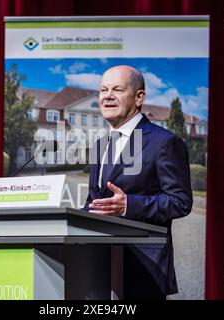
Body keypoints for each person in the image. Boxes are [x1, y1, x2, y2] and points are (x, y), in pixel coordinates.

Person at [83, 65, 193, 299]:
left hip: (143, 266)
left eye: (117, 89)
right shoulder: (101, 145)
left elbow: (180, 201)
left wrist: (128, 206)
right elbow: (94, 203)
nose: (107, 96)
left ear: (139, 97)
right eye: (103, 90)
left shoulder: (164, 143)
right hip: (98, 266)